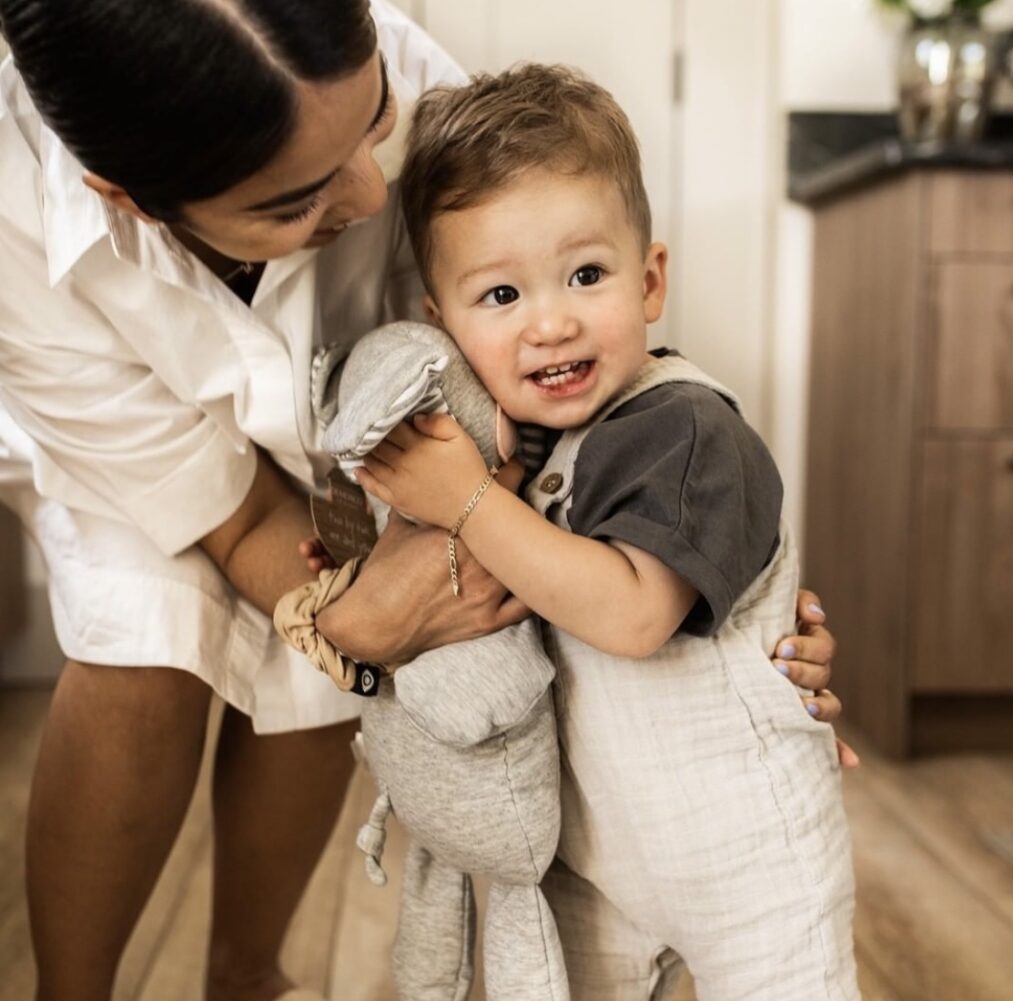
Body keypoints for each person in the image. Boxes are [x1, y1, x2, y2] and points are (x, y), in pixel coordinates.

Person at [0, 2, 842, 999]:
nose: (371, 191)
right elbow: (220, 512)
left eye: (374, 123)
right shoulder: (16, 227)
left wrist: (727, 603)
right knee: (145, 626)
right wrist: (344, 614)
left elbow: (578, 396)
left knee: (358, 644)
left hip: (381, 424)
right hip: (138, 428)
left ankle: (247, 971)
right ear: (127, 196)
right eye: (295, 199)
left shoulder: (411, 86)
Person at [356, 63, 860, 1000]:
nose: (551, 321)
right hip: (595, 853)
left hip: (748, 848)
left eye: (586, 275)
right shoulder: (529, 445)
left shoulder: (685, 428)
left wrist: (468, 500)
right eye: (500, 297)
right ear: (443, 326)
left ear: (650, 278)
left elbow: (633, 615)